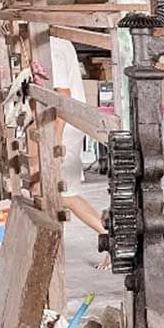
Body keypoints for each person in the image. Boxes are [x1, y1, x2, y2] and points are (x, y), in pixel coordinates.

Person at [49, 36, 110, 269]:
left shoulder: (51, 47)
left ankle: (113, 240)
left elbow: (62, 95)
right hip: (65, 124)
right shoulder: (59, 41)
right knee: (63, 194)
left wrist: (55, 138)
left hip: (63, 127)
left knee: (66, 194)